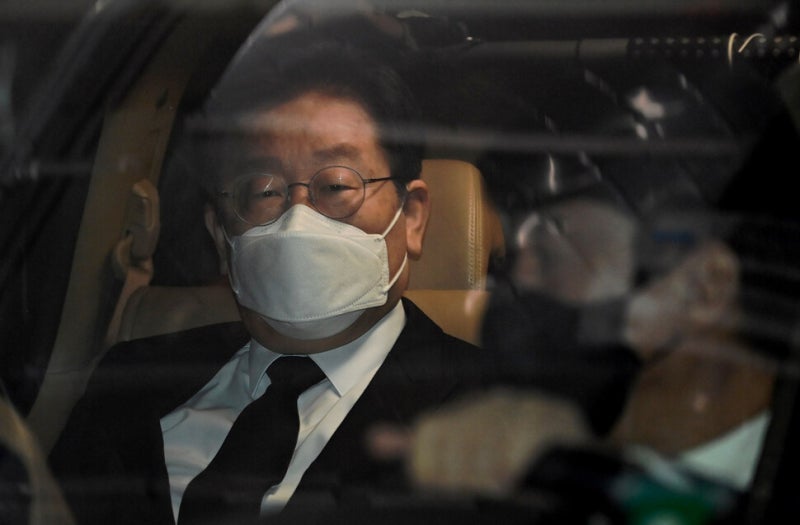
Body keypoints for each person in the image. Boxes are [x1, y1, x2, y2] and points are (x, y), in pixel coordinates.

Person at [48, 42, 496, 525]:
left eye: (337, 186)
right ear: (220, 238)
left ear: (412, 217)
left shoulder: (500, 415)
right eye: (262, 191)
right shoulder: (130, 380)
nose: (298, 220)